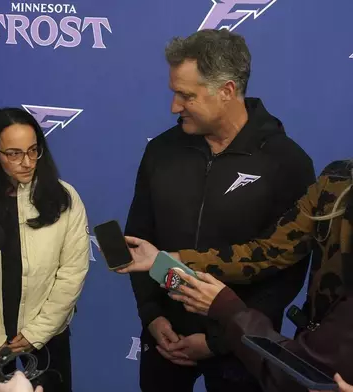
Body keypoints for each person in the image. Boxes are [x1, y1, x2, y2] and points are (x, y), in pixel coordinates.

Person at [124, 29, 315, 392]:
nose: (174, 107)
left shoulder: (287, 162)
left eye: (186, 95)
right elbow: (141, 244)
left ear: (226, 91)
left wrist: (220, 340)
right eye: (174, 93)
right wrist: (153, 316)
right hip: (165, 340)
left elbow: (286, 271)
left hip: (241, 349)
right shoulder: (161, 151)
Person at [115, 158, 353, 392]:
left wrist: (225, 313)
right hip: (311, 359)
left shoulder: (285, 157)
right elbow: (267, 252)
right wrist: (170, 260)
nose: (175, 115)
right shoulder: (337, 180)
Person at [0, 108, 89, 392]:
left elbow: (72, 273)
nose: (27, 162)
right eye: (14, 154)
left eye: (33, 151)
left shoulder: (65, 199)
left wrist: (36, 333)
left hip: (47, 337)